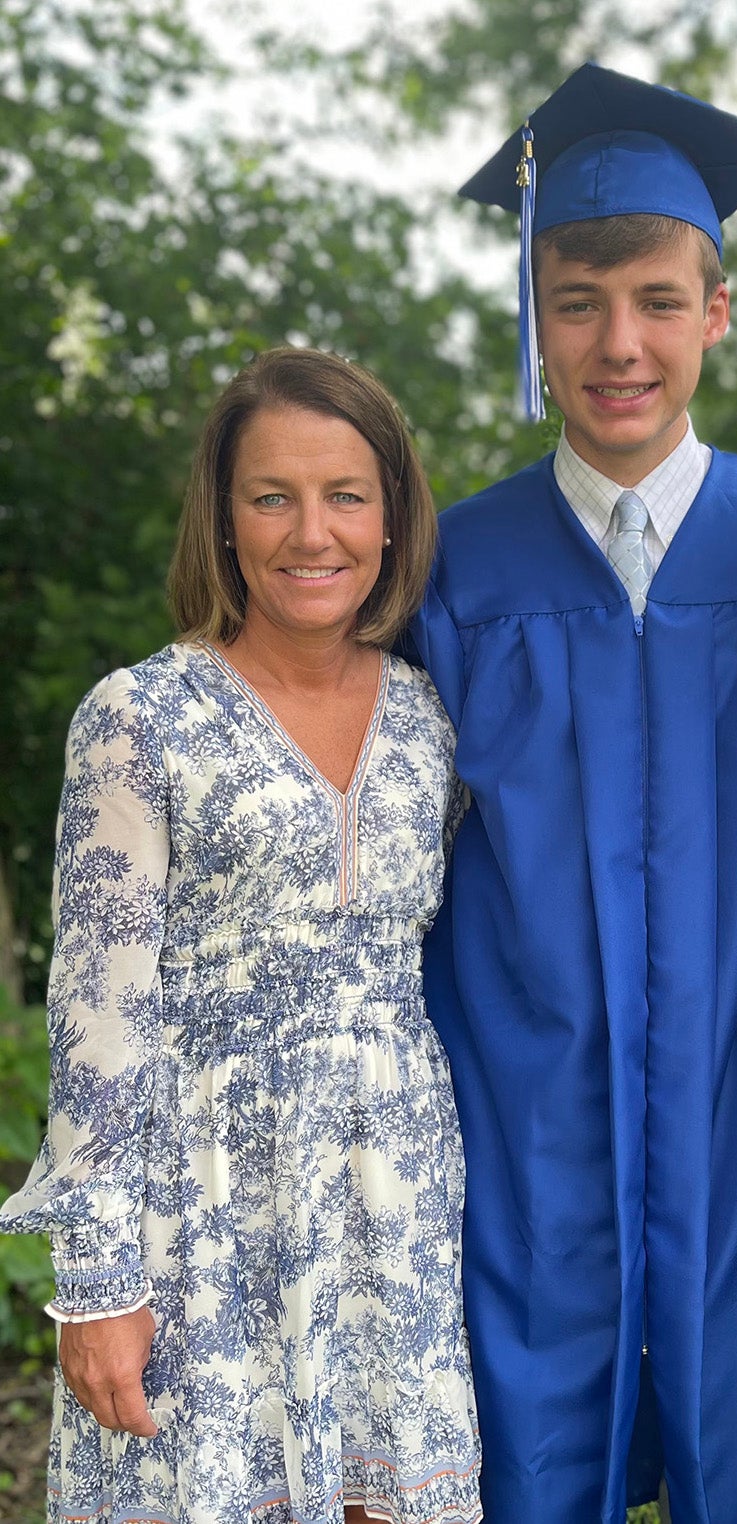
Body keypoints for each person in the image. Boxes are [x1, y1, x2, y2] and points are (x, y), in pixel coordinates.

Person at [406, 62, 737, 1524]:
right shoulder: (453, 571)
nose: (620, 344)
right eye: (577, 301)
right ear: (530, 320)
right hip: (522, 1129)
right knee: (527, 1462)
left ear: (715, 313)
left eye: (660, 301)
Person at [1, 349, 481, 1524]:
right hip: (200, 1208)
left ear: (391, 518)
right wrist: (99, 1285)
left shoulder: (431, 718)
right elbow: (96, 1023)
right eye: (271, 496)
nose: (308, 532)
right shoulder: (141, 718)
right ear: (222, 522)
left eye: (344, 495)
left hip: (390, 1197)